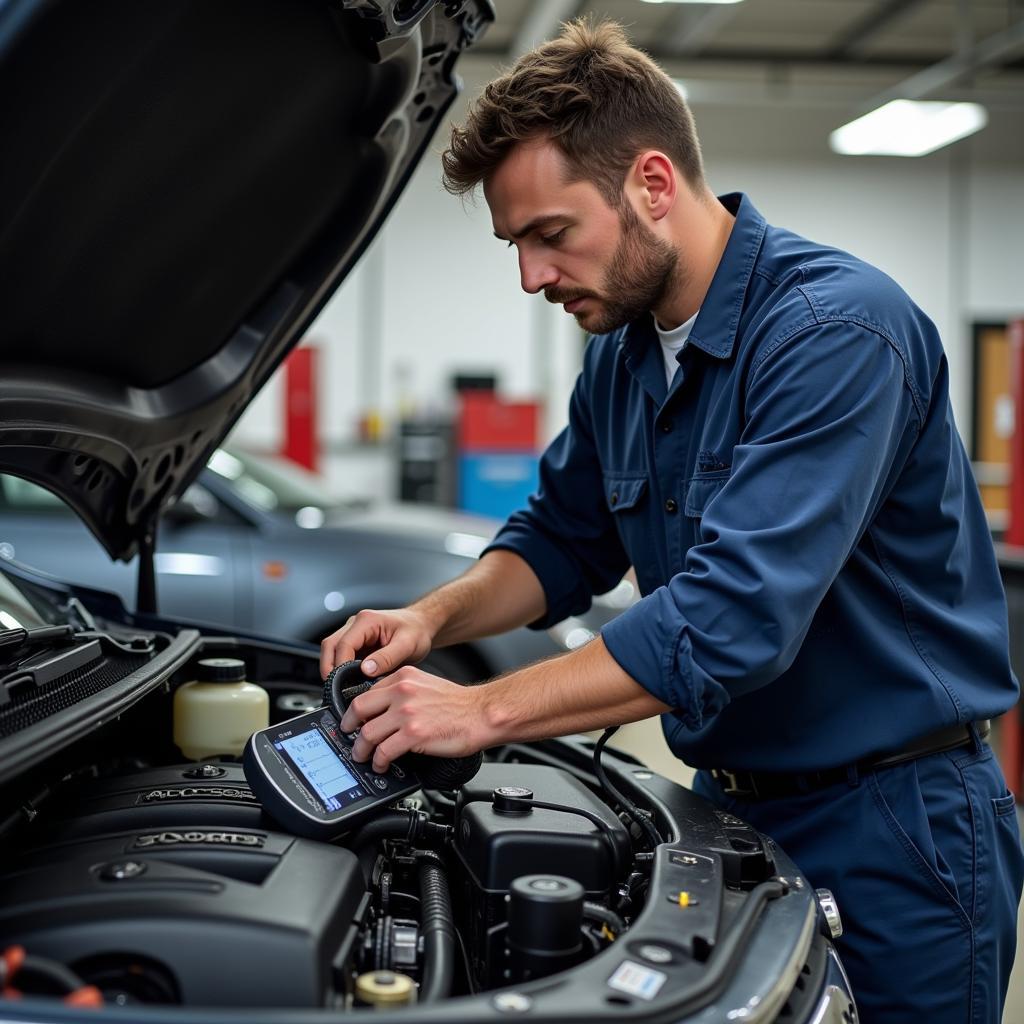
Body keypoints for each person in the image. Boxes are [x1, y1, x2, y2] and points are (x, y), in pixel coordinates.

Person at [320, 19, 1024, 1022]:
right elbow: (560, 539)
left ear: (652, 184)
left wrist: (481, 709)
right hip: (731, 806)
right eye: (513, 243)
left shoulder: (835, 334)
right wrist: (433, 619)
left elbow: (726, 619)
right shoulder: (620, 354)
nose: (530, 277)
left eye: (550, 234)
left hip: (894, 821)